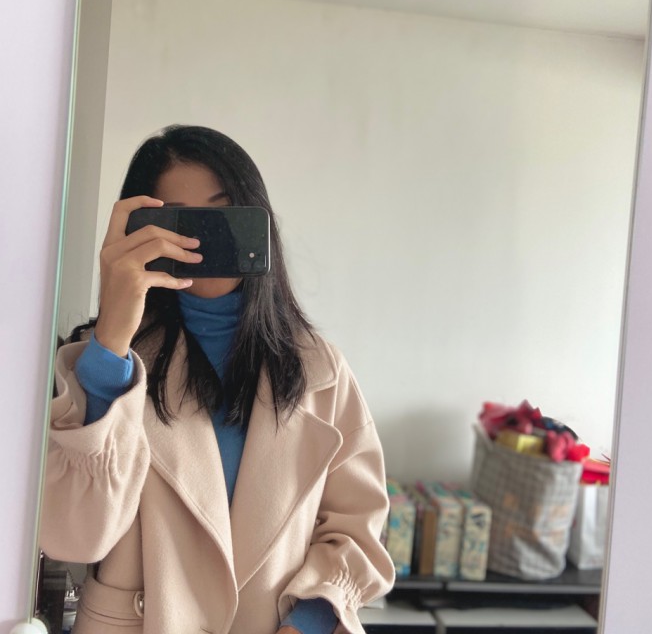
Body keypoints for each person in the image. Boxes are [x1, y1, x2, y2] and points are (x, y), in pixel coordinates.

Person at [40, 125, 395, 634]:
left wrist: (310, 621)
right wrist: (113, 338)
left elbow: (359, 527)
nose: (197, 240)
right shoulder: (100, 363)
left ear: (256, 222)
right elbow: (74, 537)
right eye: (178, 222)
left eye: (221, 215)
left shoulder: (319, 371)